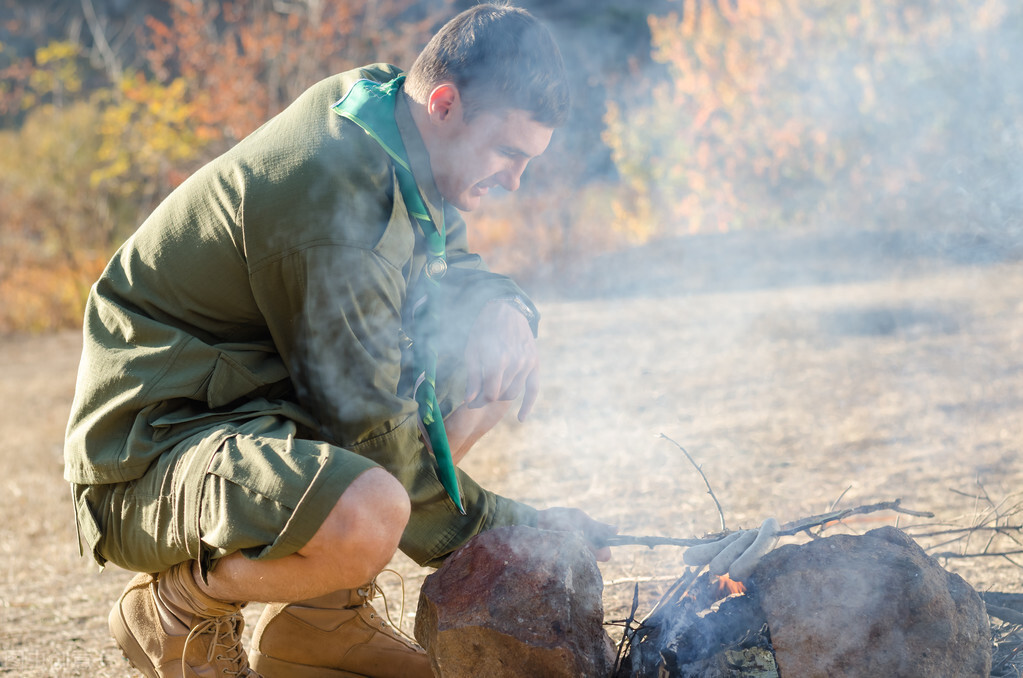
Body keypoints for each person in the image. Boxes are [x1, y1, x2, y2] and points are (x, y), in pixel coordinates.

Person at [64, 4, 616, 677]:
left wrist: (503, 309)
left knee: (483, 357)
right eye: (507, 153)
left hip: (264, 409)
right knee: (369, 510)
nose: (514, 180)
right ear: (445, 105)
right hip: (155, 450)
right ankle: (175, 608)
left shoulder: (390, 118)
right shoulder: (330, 204)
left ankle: (319, 621)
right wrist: (526, 529)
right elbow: (381, 446)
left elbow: (445, 260)